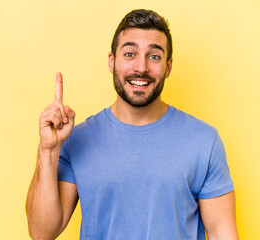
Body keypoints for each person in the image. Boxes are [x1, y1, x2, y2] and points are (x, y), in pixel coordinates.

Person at [26, 9, 238, 240]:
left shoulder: (204, 141)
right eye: (129, 54)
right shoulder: (76, 140)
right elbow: (41, 233)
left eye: (154, 56)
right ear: (112, 61)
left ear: (168, 67)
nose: (141, 67)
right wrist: (48, 151)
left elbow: (221, 233)